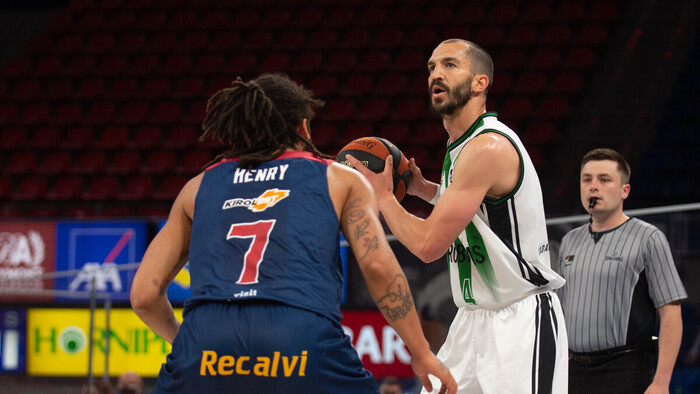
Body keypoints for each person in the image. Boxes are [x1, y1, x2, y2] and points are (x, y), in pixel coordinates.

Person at [130, 73, 456, 394]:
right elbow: (378, 268)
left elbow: (144, 295)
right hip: (299, 337)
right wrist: (421, 351)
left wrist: (191, 344)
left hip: (206, 343)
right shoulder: (340, 179)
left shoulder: (196, 188)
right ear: (303, 127)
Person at [347, 39, 568, 393]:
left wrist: (385, 198)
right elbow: (478, 211)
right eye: (432, 67)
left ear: (481, 82)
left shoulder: (487, 147)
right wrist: (425, 190)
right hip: (472, 319)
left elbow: (427, 245)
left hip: (520, 320)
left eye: (450, 65)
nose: (436, 73)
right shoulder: (460, 146)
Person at [555, 148, 687, 394]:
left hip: (625, 370)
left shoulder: (648, 238)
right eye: (587, 180)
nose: (594, 186)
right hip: (573, 371)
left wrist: (661, 381)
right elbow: (562, 312)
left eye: (604, 180)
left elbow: (671, 313)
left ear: (625, 190)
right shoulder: (569, 241)